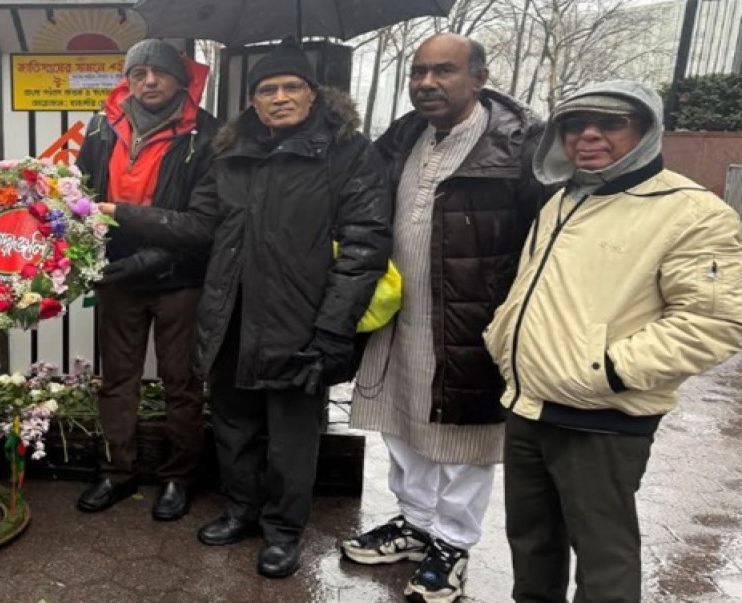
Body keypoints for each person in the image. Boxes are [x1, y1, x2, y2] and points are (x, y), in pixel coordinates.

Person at [99, 36, 392, 578]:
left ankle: (283, 531)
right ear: (253, 100)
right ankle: (242, 510)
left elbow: (365, 247)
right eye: (267, 89)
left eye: (290, 87)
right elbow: (201, 226)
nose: (279, 98)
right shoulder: (232, 151)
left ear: (312, 94)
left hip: (299, 320)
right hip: (230, 314)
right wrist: (126, 219)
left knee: (291, 437)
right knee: (234, 425)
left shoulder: (348, 152)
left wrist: (333, 330)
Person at [485, 81, 742, 602]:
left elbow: (713, 321)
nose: (589, 135)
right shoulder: (563, 200)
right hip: (529, 406)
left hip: (601, 415)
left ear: (647, 131)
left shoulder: (691, 211)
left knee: (603, 556)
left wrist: (609, 371)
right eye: (575, 125)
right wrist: (502, 339)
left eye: (611, 123)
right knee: (532, 546)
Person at [339, 34, 545, 603]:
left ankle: (452, 542)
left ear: (478, 78)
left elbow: (546, 234)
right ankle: (416, 523)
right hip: (401, 310)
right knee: (403, 419)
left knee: (464, 435)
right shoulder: (403, 136)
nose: (427, 83)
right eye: (419, 72)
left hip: (473, 315)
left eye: (444, 71)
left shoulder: (520, 143)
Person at [73, 39, 221, 521]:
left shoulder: (208, 134)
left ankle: (179, 477)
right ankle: (117, 471)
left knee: (182, 383)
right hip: (118, 278)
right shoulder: (100, 128)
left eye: (159, 72)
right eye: (139, 73)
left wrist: (142, 244)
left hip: (181, 278)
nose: (149, 81)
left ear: (181, 79)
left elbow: (204, 222)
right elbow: (78, 195)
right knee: (117, 380)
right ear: (127, 80)